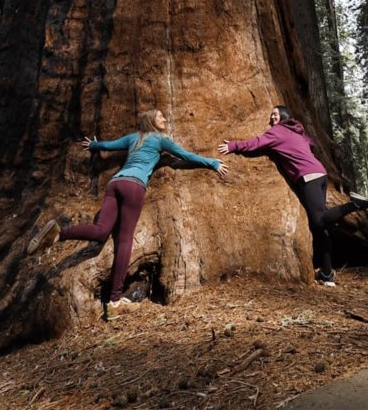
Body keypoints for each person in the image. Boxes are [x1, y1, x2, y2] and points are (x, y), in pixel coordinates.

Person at [28, 109, 227, 315]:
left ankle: (59, 234)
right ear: (151, 121)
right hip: (134, 186)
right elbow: (185, 155)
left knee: (100, 231)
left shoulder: (134, 138)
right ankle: (115, 300)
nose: (165, 119)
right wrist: (212, 163)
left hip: (115, 184)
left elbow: (109, 145)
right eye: (160, 117)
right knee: (124, 241)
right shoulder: (160, 139)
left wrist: (94, 145)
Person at [218, 105, 368, 287]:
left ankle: (355, 205)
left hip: (308, 177)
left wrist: (233, 145)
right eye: (271, 115)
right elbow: (311, 143)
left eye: (275, 115)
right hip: (320, 174)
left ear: (284, 116)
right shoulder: (297, 133)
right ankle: (327, 274)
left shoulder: (277, 132)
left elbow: (255, 143)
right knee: (320, 229)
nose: (271, 118)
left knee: (318, 221)